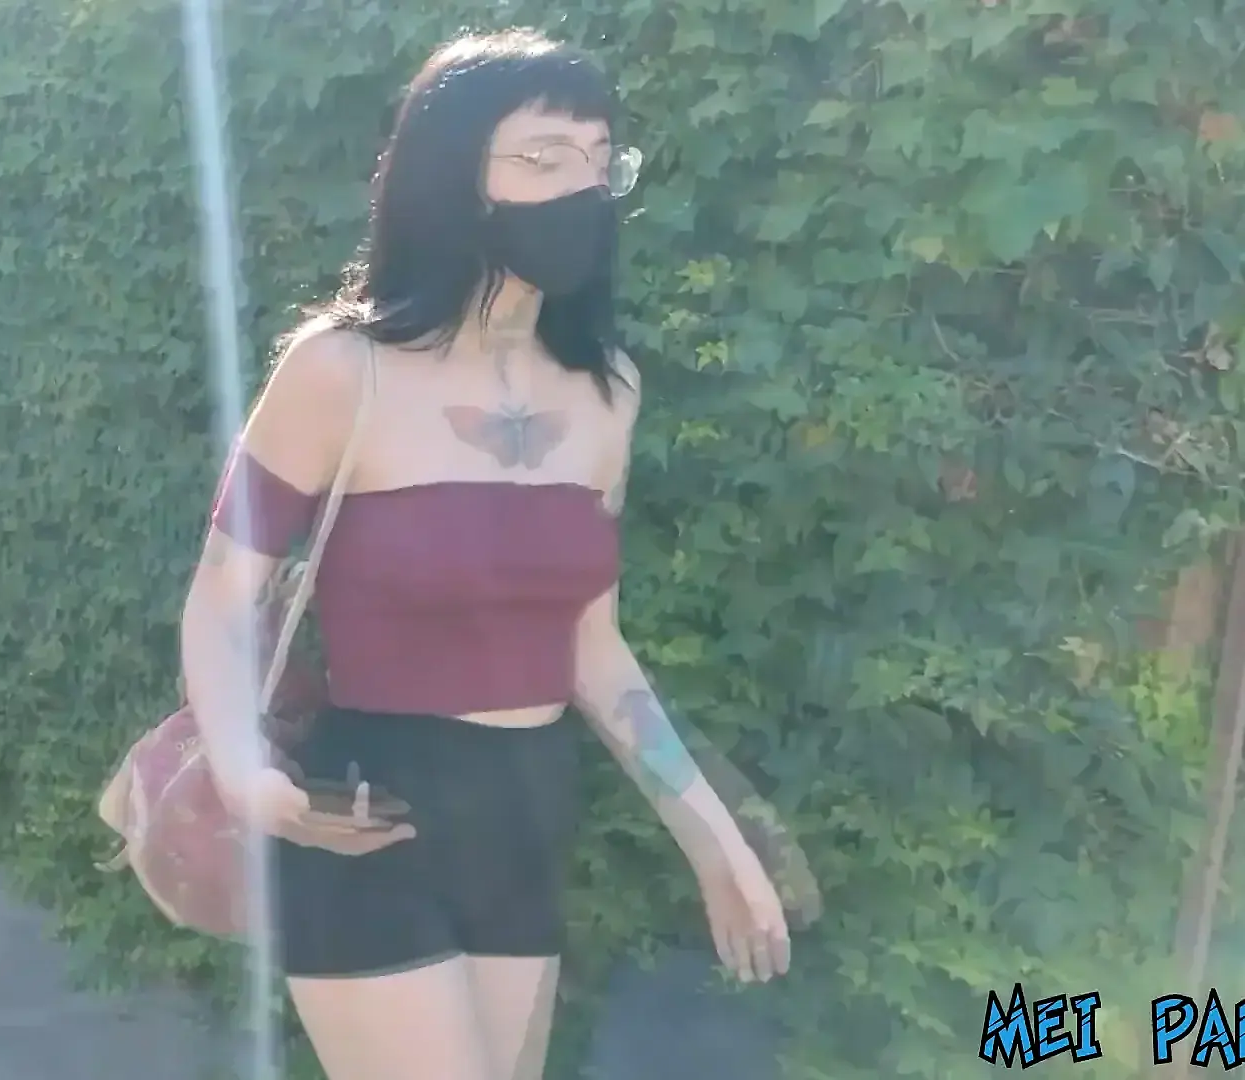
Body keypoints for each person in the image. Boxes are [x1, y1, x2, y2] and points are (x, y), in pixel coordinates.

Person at [178, 28, 791, 1080]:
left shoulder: (607, 392)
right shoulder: (343, 371)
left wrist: (712, 836)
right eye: (544, 158)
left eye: (600, 161)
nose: (580, 189)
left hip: (525, 810)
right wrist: (239, 765)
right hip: (372, 812)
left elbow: (592, 647)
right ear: (454, 177)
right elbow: (223, 595)